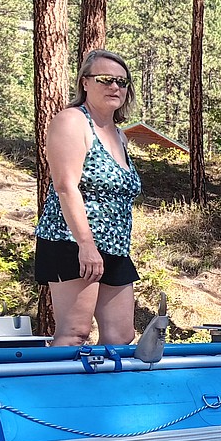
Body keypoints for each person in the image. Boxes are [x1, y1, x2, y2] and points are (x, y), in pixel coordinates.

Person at [35, 49, 142, 347]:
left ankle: (107, 394)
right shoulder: (72, 121)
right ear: (85, 82)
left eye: (122, 82)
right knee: (74, 334)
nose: (115, 87)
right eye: (106, 79)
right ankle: (57, 393)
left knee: (121, 337)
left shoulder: (120, 135)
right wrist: (86, 245)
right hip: (72, 243)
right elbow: (66, 186)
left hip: (115, 247)